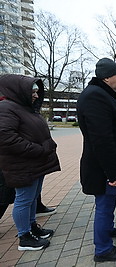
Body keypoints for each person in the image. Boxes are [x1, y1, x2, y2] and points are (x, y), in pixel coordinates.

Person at [77, 58, 116, 262]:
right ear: (106, 77)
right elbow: (102, 139)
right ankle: (103, 250)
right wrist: (113, 172)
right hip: (103, 168)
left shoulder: (100, 94)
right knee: (104, 205)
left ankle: (108, 230)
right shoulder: (96, 97)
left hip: (104, 165)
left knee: (108, 204)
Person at [0, 74, 60, 251]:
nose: (35, 95)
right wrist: (38, 149)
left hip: (33, 163)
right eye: (32, 91)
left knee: (33, 197)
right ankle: (24, 237)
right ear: (18, 91)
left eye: (36, 91)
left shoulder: (23, 107)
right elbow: (6, 137)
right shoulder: (6, 108)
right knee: (24, 200)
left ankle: (32, 227)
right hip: (22, 164)